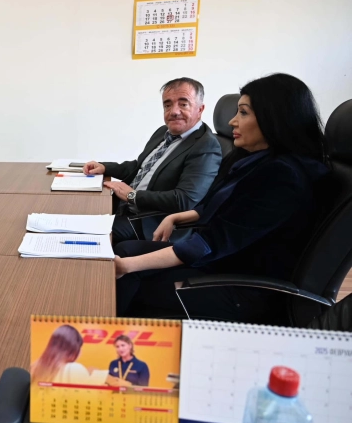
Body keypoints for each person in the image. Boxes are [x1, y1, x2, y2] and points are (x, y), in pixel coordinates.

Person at [114, 73, 329, 322]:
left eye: (243, 113)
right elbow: (222, 203)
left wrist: (129, 266)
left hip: (242, 286)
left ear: (275, 118)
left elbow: (211, 242)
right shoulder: (252, 159)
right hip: (221, 259)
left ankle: (112, 333)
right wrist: (176, 217)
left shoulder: (284, 177)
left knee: (127, 274)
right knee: (125, 250)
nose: (232, 121)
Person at [83, 78, 222, 243]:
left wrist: (133, 195)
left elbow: (184, 200)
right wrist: (105, 167)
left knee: (86, 231)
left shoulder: (206, 146)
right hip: (124, 206)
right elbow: (139, 167)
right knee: (76, 212)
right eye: (167, 105)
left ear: (200, 109)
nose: (174, 111)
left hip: (149, 221)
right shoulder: (163, 132)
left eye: (183, 104)